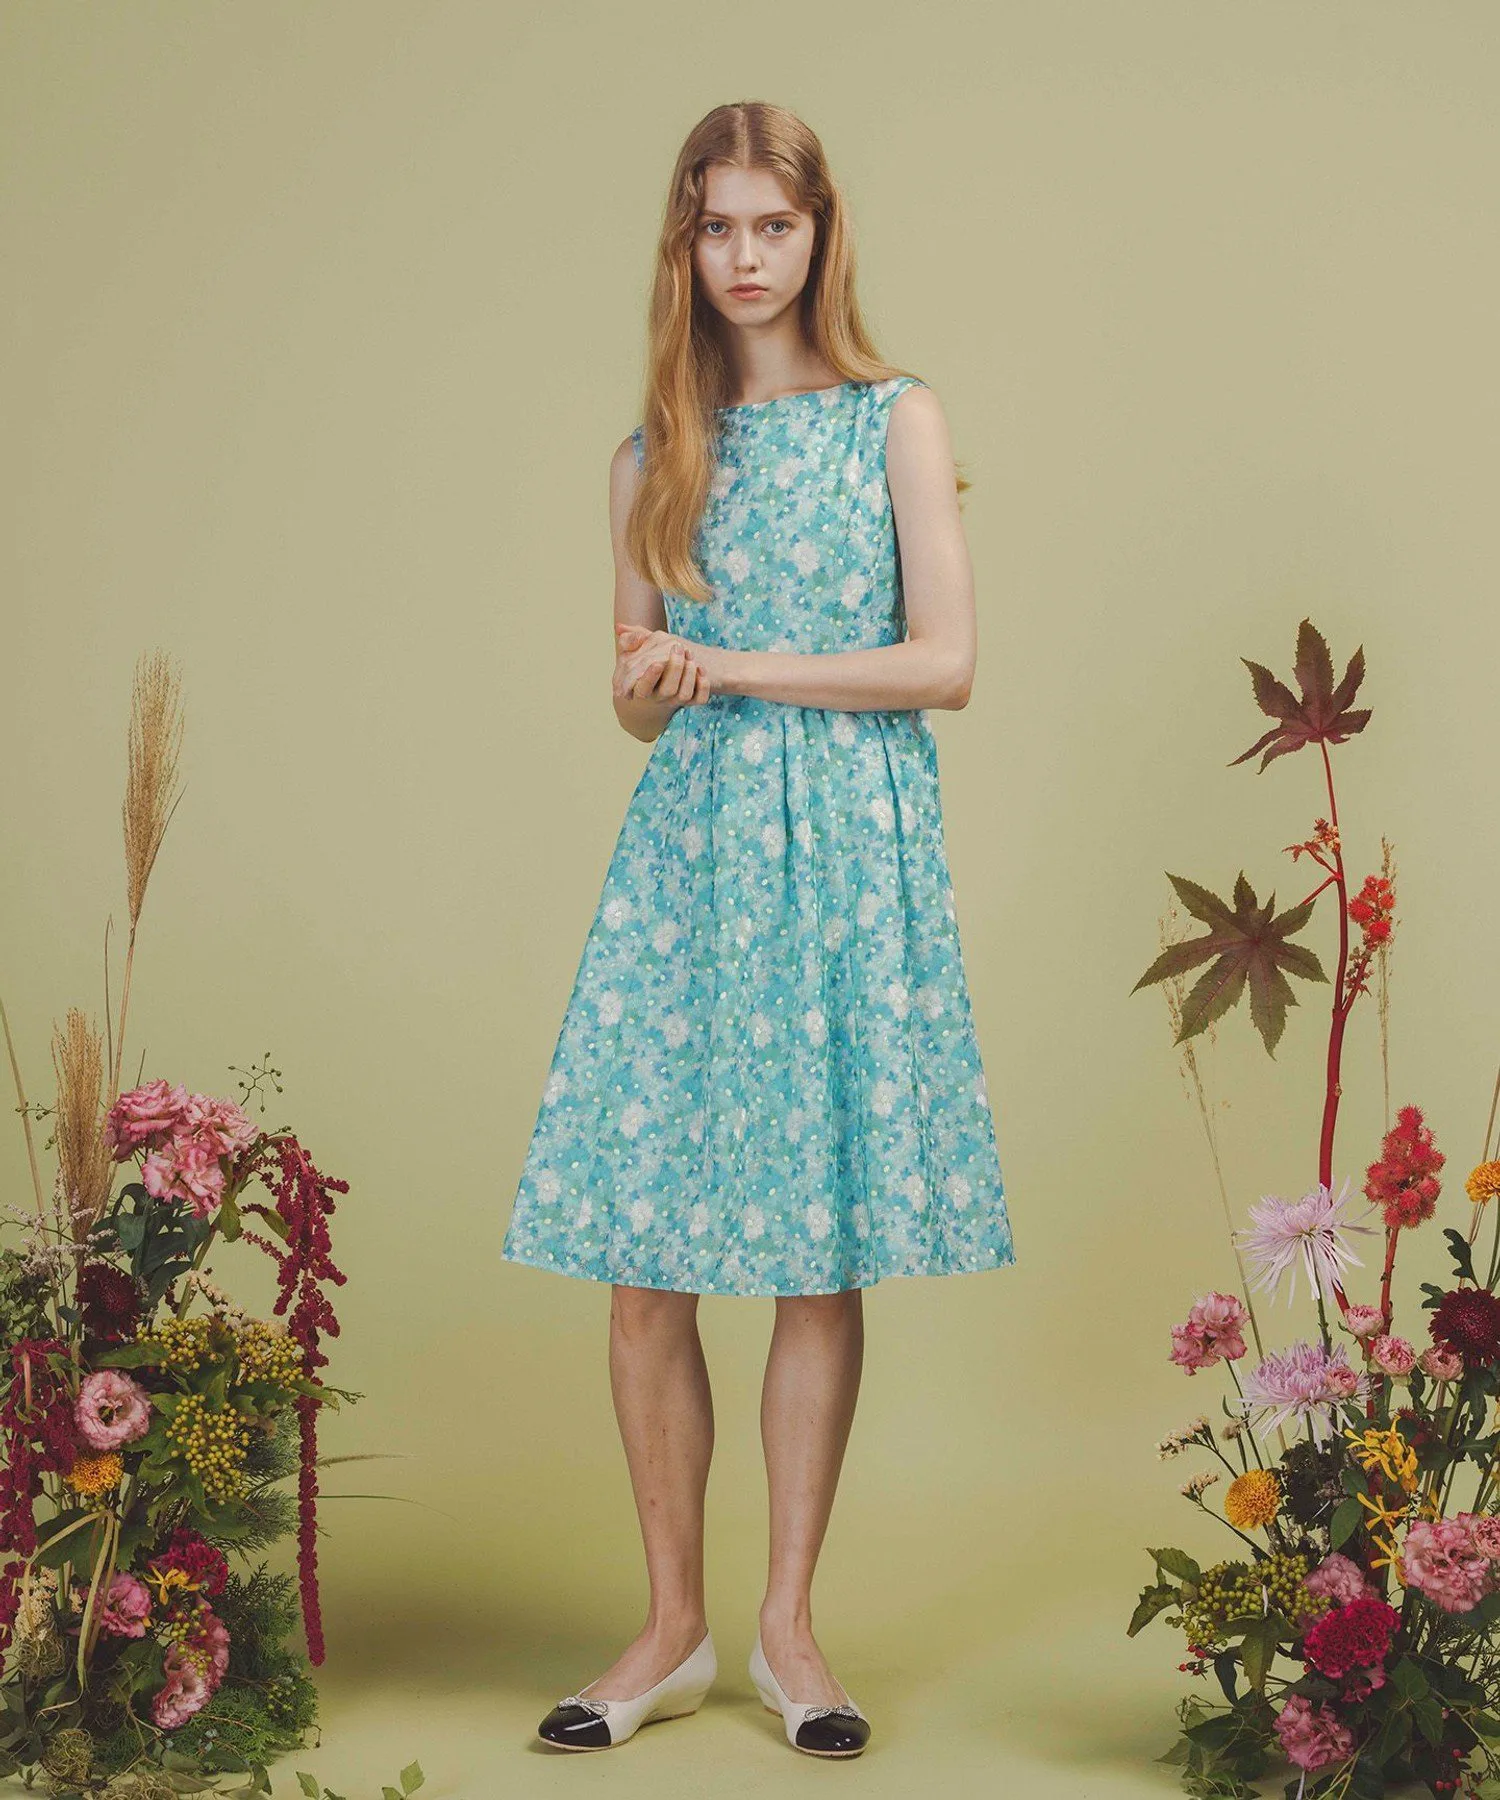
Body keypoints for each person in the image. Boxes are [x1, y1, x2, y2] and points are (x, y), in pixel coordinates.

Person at [501, 98, 1018, 1758]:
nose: (745, 258)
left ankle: (792, 1629)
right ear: (687, 242)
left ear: (818, 234)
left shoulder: (893, 417)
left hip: (846, 848)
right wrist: (654, 679)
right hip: (693, 855)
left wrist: (725, 663)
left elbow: (944, 661)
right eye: (717, 228)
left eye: (771, 227)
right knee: (642, 1261)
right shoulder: (650, 454)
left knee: (810, 1249)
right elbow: (637, 702)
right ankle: (670, 1630)